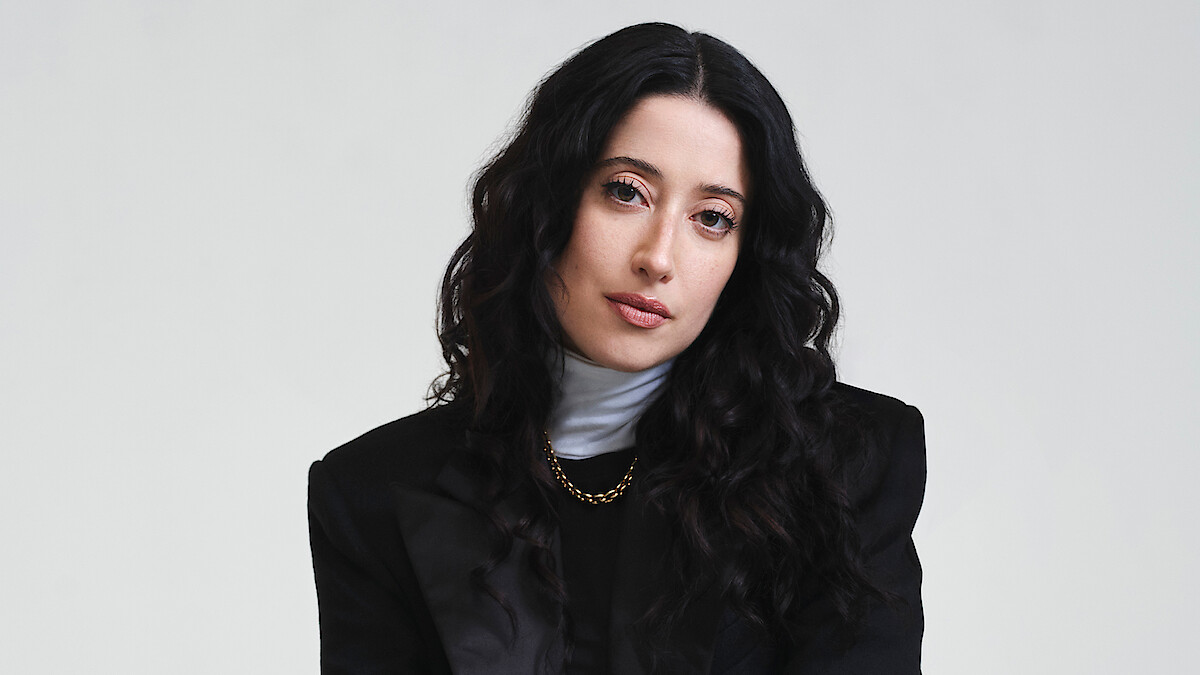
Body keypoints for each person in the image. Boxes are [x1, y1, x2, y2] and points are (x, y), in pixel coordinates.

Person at [308, 22, 926, 674]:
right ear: (546, 204)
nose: (658, 257)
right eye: (626, 191)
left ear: (745, 254)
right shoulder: (375, 492)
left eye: (712, 217)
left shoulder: (848, 463)